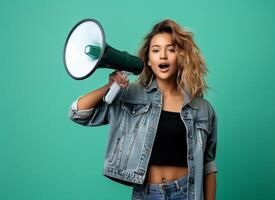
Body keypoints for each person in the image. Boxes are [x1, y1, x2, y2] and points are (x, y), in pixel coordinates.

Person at [69, 19, 217, 200]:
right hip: (147, 193)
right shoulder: (129, 94)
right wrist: (110, 85)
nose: (162, 56)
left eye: (170, 49)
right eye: (156, 50)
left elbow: (208, 165)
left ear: (181, 56)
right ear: (148, 60)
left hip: (187, 193)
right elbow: (78, 112)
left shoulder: (202, 109)